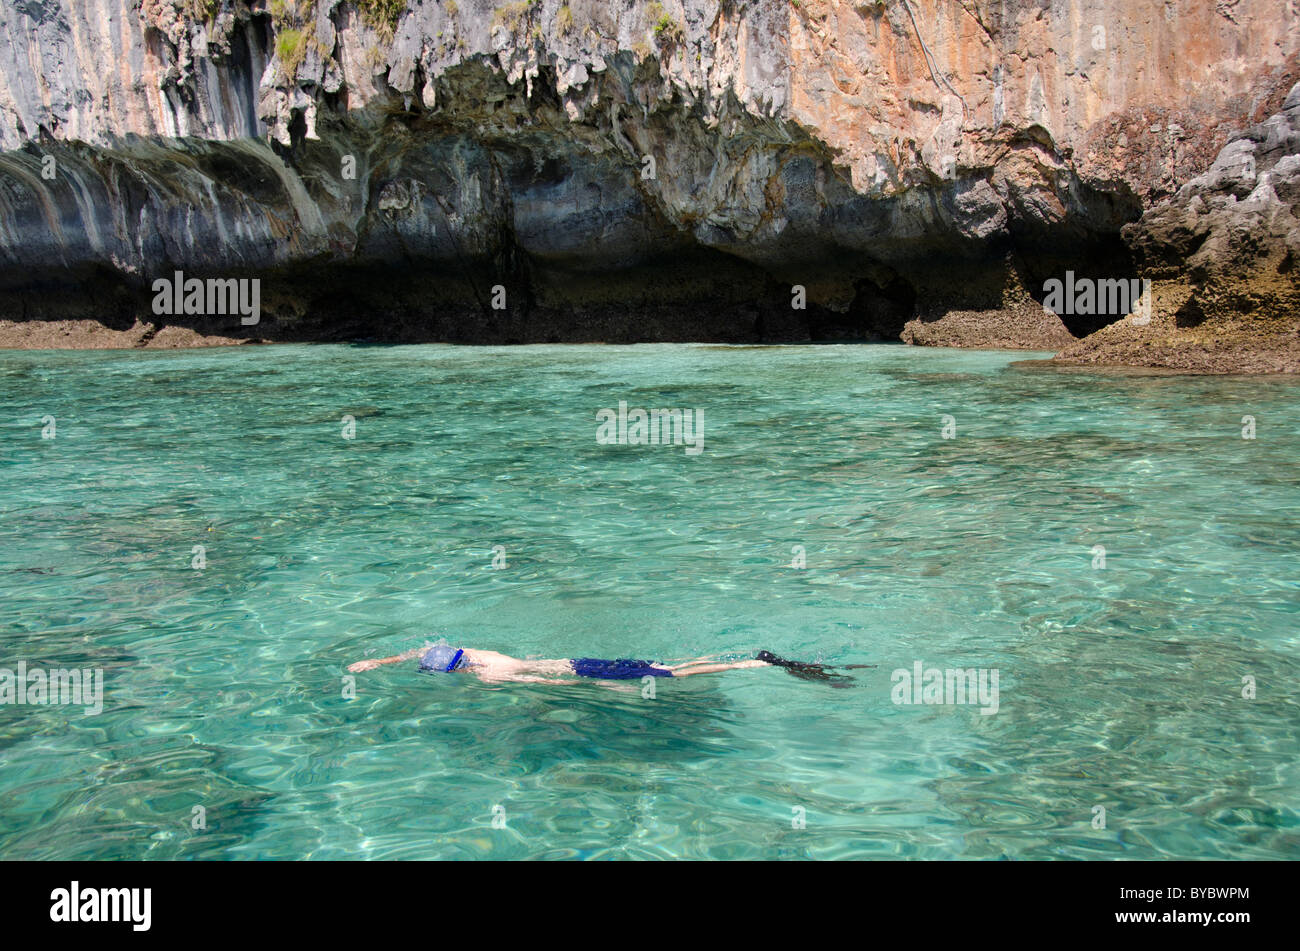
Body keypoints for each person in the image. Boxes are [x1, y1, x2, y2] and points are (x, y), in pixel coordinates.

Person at [346, 644, 864, 686]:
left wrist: (607, 694)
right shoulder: (481, 653)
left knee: (674, 676)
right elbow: (422, 649)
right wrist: (377, 660)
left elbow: (550, 690)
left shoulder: (491, 675)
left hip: (588, 674)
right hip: (580, 659)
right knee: (665, 663)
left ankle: (755, 666)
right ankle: (750, 657)